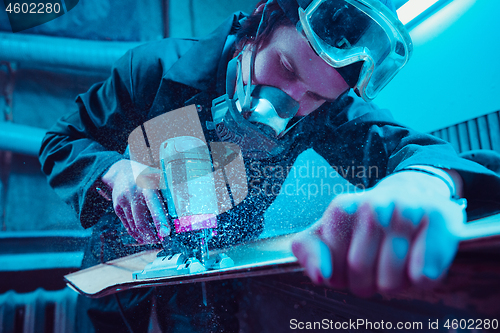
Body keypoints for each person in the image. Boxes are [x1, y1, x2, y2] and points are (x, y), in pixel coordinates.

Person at [39, 0, 500, 331]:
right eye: (286, 68)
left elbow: (410, 148)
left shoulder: (323, 114)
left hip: (213, 282)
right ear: (259, 22)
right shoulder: (155, 68)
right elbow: (61, 141)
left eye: (317, 96)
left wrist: (421, 185)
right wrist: (114, 171)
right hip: (120, 278)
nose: (289, 106)